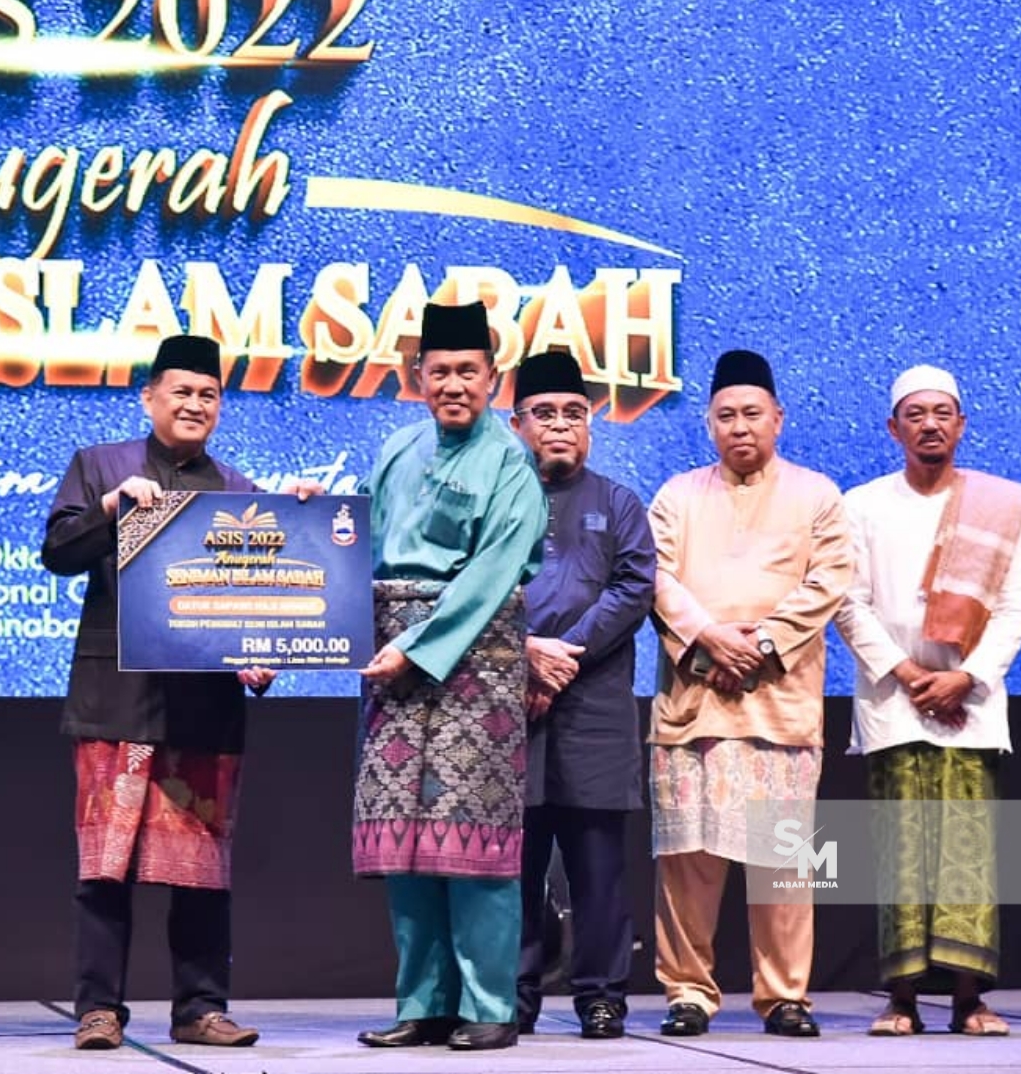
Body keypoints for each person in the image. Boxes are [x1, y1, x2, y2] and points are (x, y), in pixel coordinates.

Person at [41, 335, 277, 1051]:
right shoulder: (100, 467)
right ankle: (98, 1009)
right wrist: (111, 508)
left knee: (201, 871)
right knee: (103, 869)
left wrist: (258, 653)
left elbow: (256, 602)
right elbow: (57, 554)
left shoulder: (239, 493)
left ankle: (200, 1009)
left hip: (204, 706)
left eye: (208, 394)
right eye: (181, 391)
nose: (194, 404)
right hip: (116, 696)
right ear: (149, 397)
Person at [352, 301, 548, 1053]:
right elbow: (356, 544)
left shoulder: (509, 461)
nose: (454, 385)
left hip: (474, 659)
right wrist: (310, 519)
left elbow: (494, 573)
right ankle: (423, 1003)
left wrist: (418, 647)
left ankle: (490, 1006)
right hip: (390, 657)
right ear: (418, 376)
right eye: (440, 372)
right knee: (402, 842)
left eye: (468, 371)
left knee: (473, 844)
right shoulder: (397, 449)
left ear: (492, 378)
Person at [646, 349, 851, 1038]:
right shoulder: (676, 496)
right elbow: (656, 579)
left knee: (787, 861)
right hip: (694, 705)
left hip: (780, 705)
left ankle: (786, 995)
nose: (740, 427)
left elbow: (828, 581)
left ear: (778, 418)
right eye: (726, 415)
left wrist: (758, 644)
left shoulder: (817, 494)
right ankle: (686, 991)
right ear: (708, 423)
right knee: (686, 860)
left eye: (752, 414)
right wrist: (710, 639)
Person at [834, 365, 1021, 1037]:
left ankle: (969, 1001)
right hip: (893, 703)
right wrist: (908, 673)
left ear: (961, 424)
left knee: (968, 856)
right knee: (900, 853)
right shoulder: (861, 505)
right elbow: (847, 601)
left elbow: (1014, 607)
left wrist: (965, 678)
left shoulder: (997, 506)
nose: (929, 425)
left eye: (942, 413)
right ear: (893, 428)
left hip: (970, 707)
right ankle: (901, 1002)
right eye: (915, 414)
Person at [506, 351, 654, 1040]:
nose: (560, 425)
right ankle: (513, 992)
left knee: (597, 866)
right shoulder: (496, 502)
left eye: (573, 413)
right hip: (509, 704)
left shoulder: (618, 503)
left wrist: (562, 658)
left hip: (593, 709)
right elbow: (474, 589)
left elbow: (634, 587)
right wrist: (522, 657)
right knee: (515, 866)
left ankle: (600, 996)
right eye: (544, 413)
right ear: (517, 424)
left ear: (590, 425)